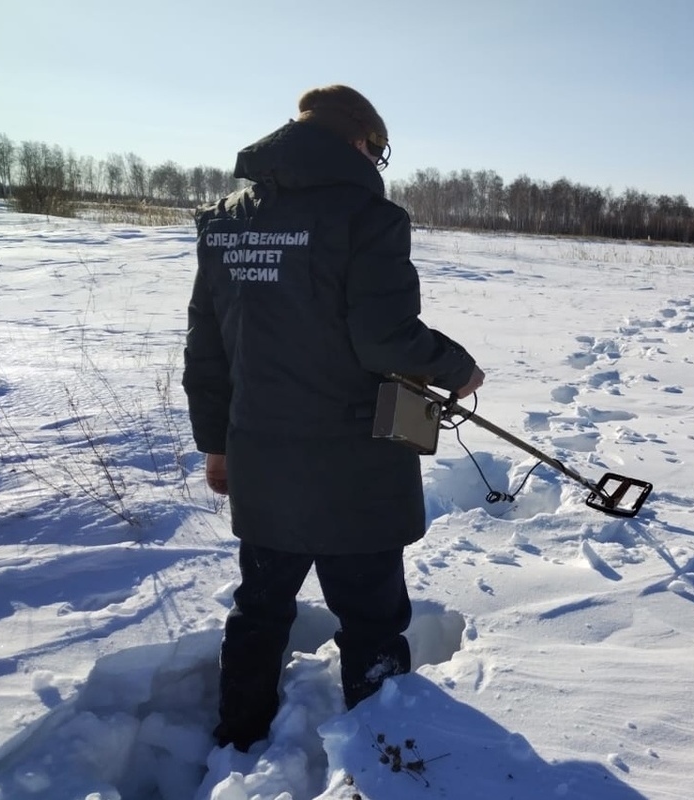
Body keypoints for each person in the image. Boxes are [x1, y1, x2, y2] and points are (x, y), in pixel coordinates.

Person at [182, 85, 485, 752]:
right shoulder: (369, 218)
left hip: (261, 455)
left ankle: (238, 736)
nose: (377, 164)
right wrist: (457, 368)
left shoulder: (225, 221)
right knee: (372, 618)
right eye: (378, 151)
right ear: (357, 140)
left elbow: (207, 349)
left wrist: (217, 445)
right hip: (355, 465)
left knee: (260, 607)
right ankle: (382, 752)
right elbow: (385, 339)